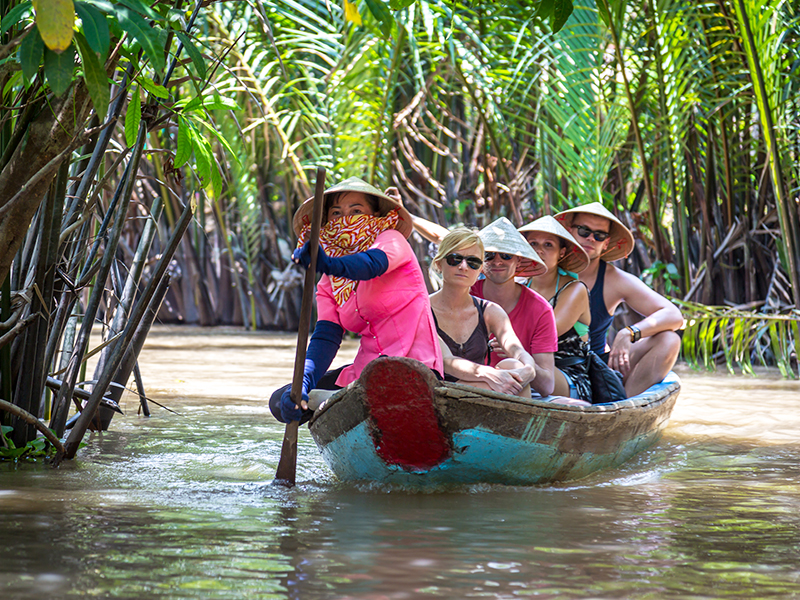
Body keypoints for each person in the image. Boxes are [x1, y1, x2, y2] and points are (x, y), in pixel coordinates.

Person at [269, 177, 443, 424]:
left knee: (384, 379)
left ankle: (331, 399)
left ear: (374, 215)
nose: (345, 220)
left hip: (413, 368)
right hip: (364, 373)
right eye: (336, 213)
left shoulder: (391, 240)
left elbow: (370, 265)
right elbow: (326, 337)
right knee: (279, 400)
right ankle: (324, 398)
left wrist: (327, 263)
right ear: (327, 221)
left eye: (356, 211)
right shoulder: (328, 281)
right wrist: (303, 382)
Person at [555, 202, 683, 397]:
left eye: (599, 235)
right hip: (548, 362)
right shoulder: (546, 267)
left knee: (669, 339)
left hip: (596, 366)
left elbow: (674, 315)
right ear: (568, 230)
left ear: (606, 243)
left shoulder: (614, 279)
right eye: (583, 231)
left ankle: (622, 404)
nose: (590, 238)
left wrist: (628, 333)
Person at [428, 228, 537, 397]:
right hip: (436, 395)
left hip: (479, 391)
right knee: (506, 382)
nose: (463, 267)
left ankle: (520, 422)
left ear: (481, 270)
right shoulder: (422, 309)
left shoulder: (490, 311)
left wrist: (528, 370)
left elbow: (518, 351)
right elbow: (446, 361)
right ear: (439, 264)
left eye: (473, 262)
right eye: (454, 259)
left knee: (514, 367)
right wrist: (491, 374)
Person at [470, 217, 559, 398]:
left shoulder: (540, 309)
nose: (497, 262)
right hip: (469, 388)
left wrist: (520, 356)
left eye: (506, 256)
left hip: (521, 393)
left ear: (518, 261)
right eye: (489, 255)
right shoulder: (464, 295)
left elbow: (547, 386)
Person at [518, 215, 592, 402]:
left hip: (568, 379)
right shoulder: (519, 286)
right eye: (533, 243)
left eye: (548, 245)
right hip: (523, 366)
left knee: (513, 364)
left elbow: (546, 335)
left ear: (562, 252)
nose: (539, 251)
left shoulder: (575, 289)